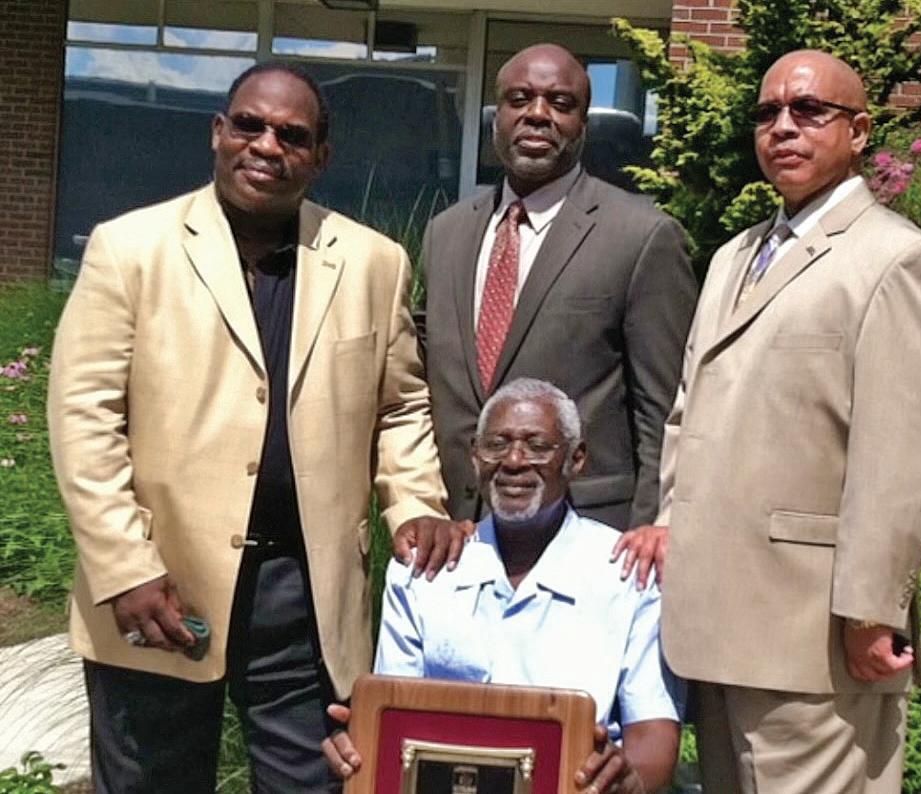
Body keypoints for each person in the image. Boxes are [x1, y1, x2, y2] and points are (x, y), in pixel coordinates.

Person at [47, 62, 462, 793]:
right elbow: (85, 417)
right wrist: (124, 565)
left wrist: (415, 502)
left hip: (305, 598)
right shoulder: (130, 249)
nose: (267, 146)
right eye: (249, 125)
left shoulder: (373, 263)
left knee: (313, 783)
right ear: (218, 132)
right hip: (161, 587)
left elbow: (398, 406)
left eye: (292, 136)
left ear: (320, 157)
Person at [613, 50, 921, 793]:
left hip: (816, 639)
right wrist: (670, 525)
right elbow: (688, 412)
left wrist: (871, 609)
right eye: (766, 112)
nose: (782, 126)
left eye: (808, 110)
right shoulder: (732, 258)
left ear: (859, 132)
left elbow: (907, 456)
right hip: (712, 625)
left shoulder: (898, 260)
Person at [397, 43, 697, 575]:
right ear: (496, 116)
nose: (538, 113)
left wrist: (649, 533)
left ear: (583, 123)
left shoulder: (642, 236)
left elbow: (663, 411)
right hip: (457, 542)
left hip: (591, 541)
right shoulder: (446, 233)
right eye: (520, 99)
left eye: (560, 102)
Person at [323, 379, 683, 794]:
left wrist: (628, 780)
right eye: (497, 444)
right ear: (475, 456)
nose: (514, 460)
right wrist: (362, 746)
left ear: (576, 458)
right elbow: (391, 717)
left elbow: (653, 735)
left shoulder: (627, 574)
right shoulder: (424, 571)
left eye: (537, 446)